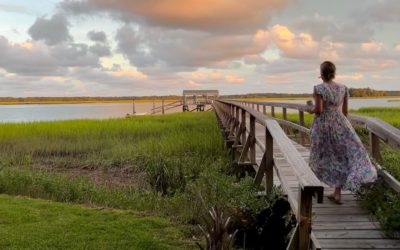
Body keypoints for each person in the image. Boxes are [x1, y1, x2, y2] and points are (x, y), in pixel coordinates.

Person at [307, 61, 377, 204]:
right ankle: (337, 193)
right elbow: (344, 112)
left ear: (321, 74)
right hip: (341, 125)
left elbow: (319, 110)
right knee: (340, 157)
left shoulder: (319, 88)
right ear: (333, 72)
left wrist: (309, 108)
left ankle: (313, 187)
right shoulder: (343, 88)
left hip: (323, 127)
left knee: (321, 156)